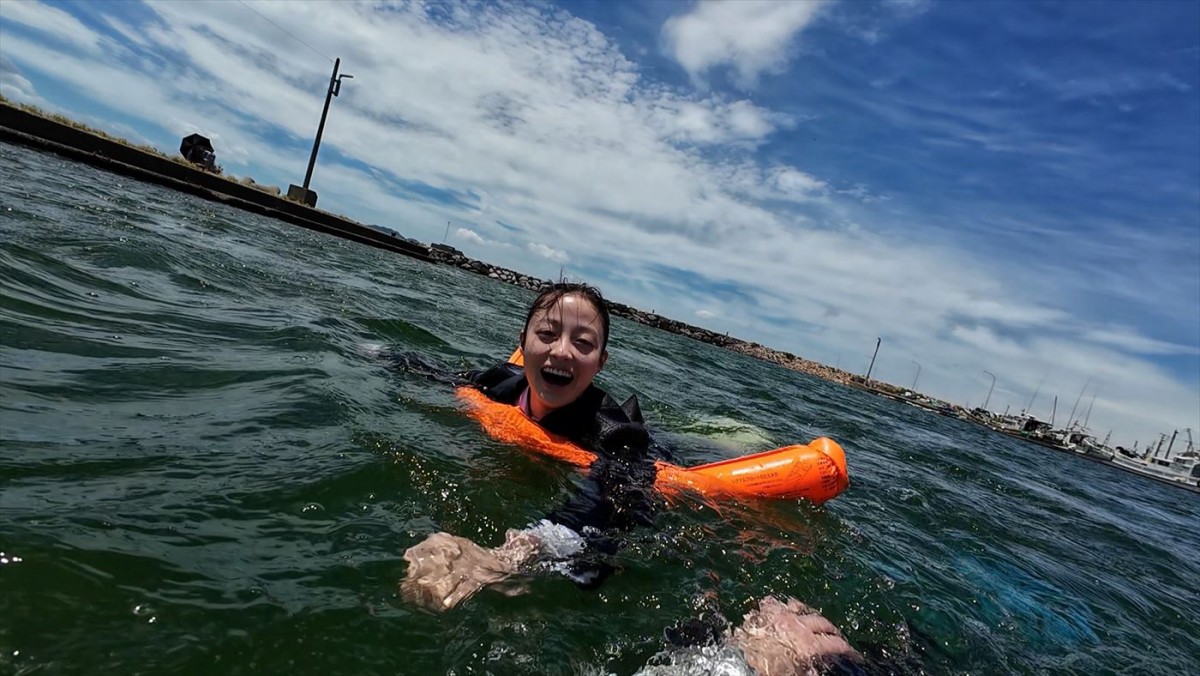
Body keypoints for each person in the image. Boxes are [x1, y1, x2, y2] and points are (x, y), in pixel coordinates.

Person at [397, 282, 664, 611]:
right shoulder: (497, 382)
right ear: (523, 342)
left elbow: (614, 511)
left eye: (582, 343)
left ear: (600, 363)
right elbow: (432, 372)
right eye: (548, 334)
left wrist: (515, 554)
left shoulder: (616, 434)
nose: (562, 351)